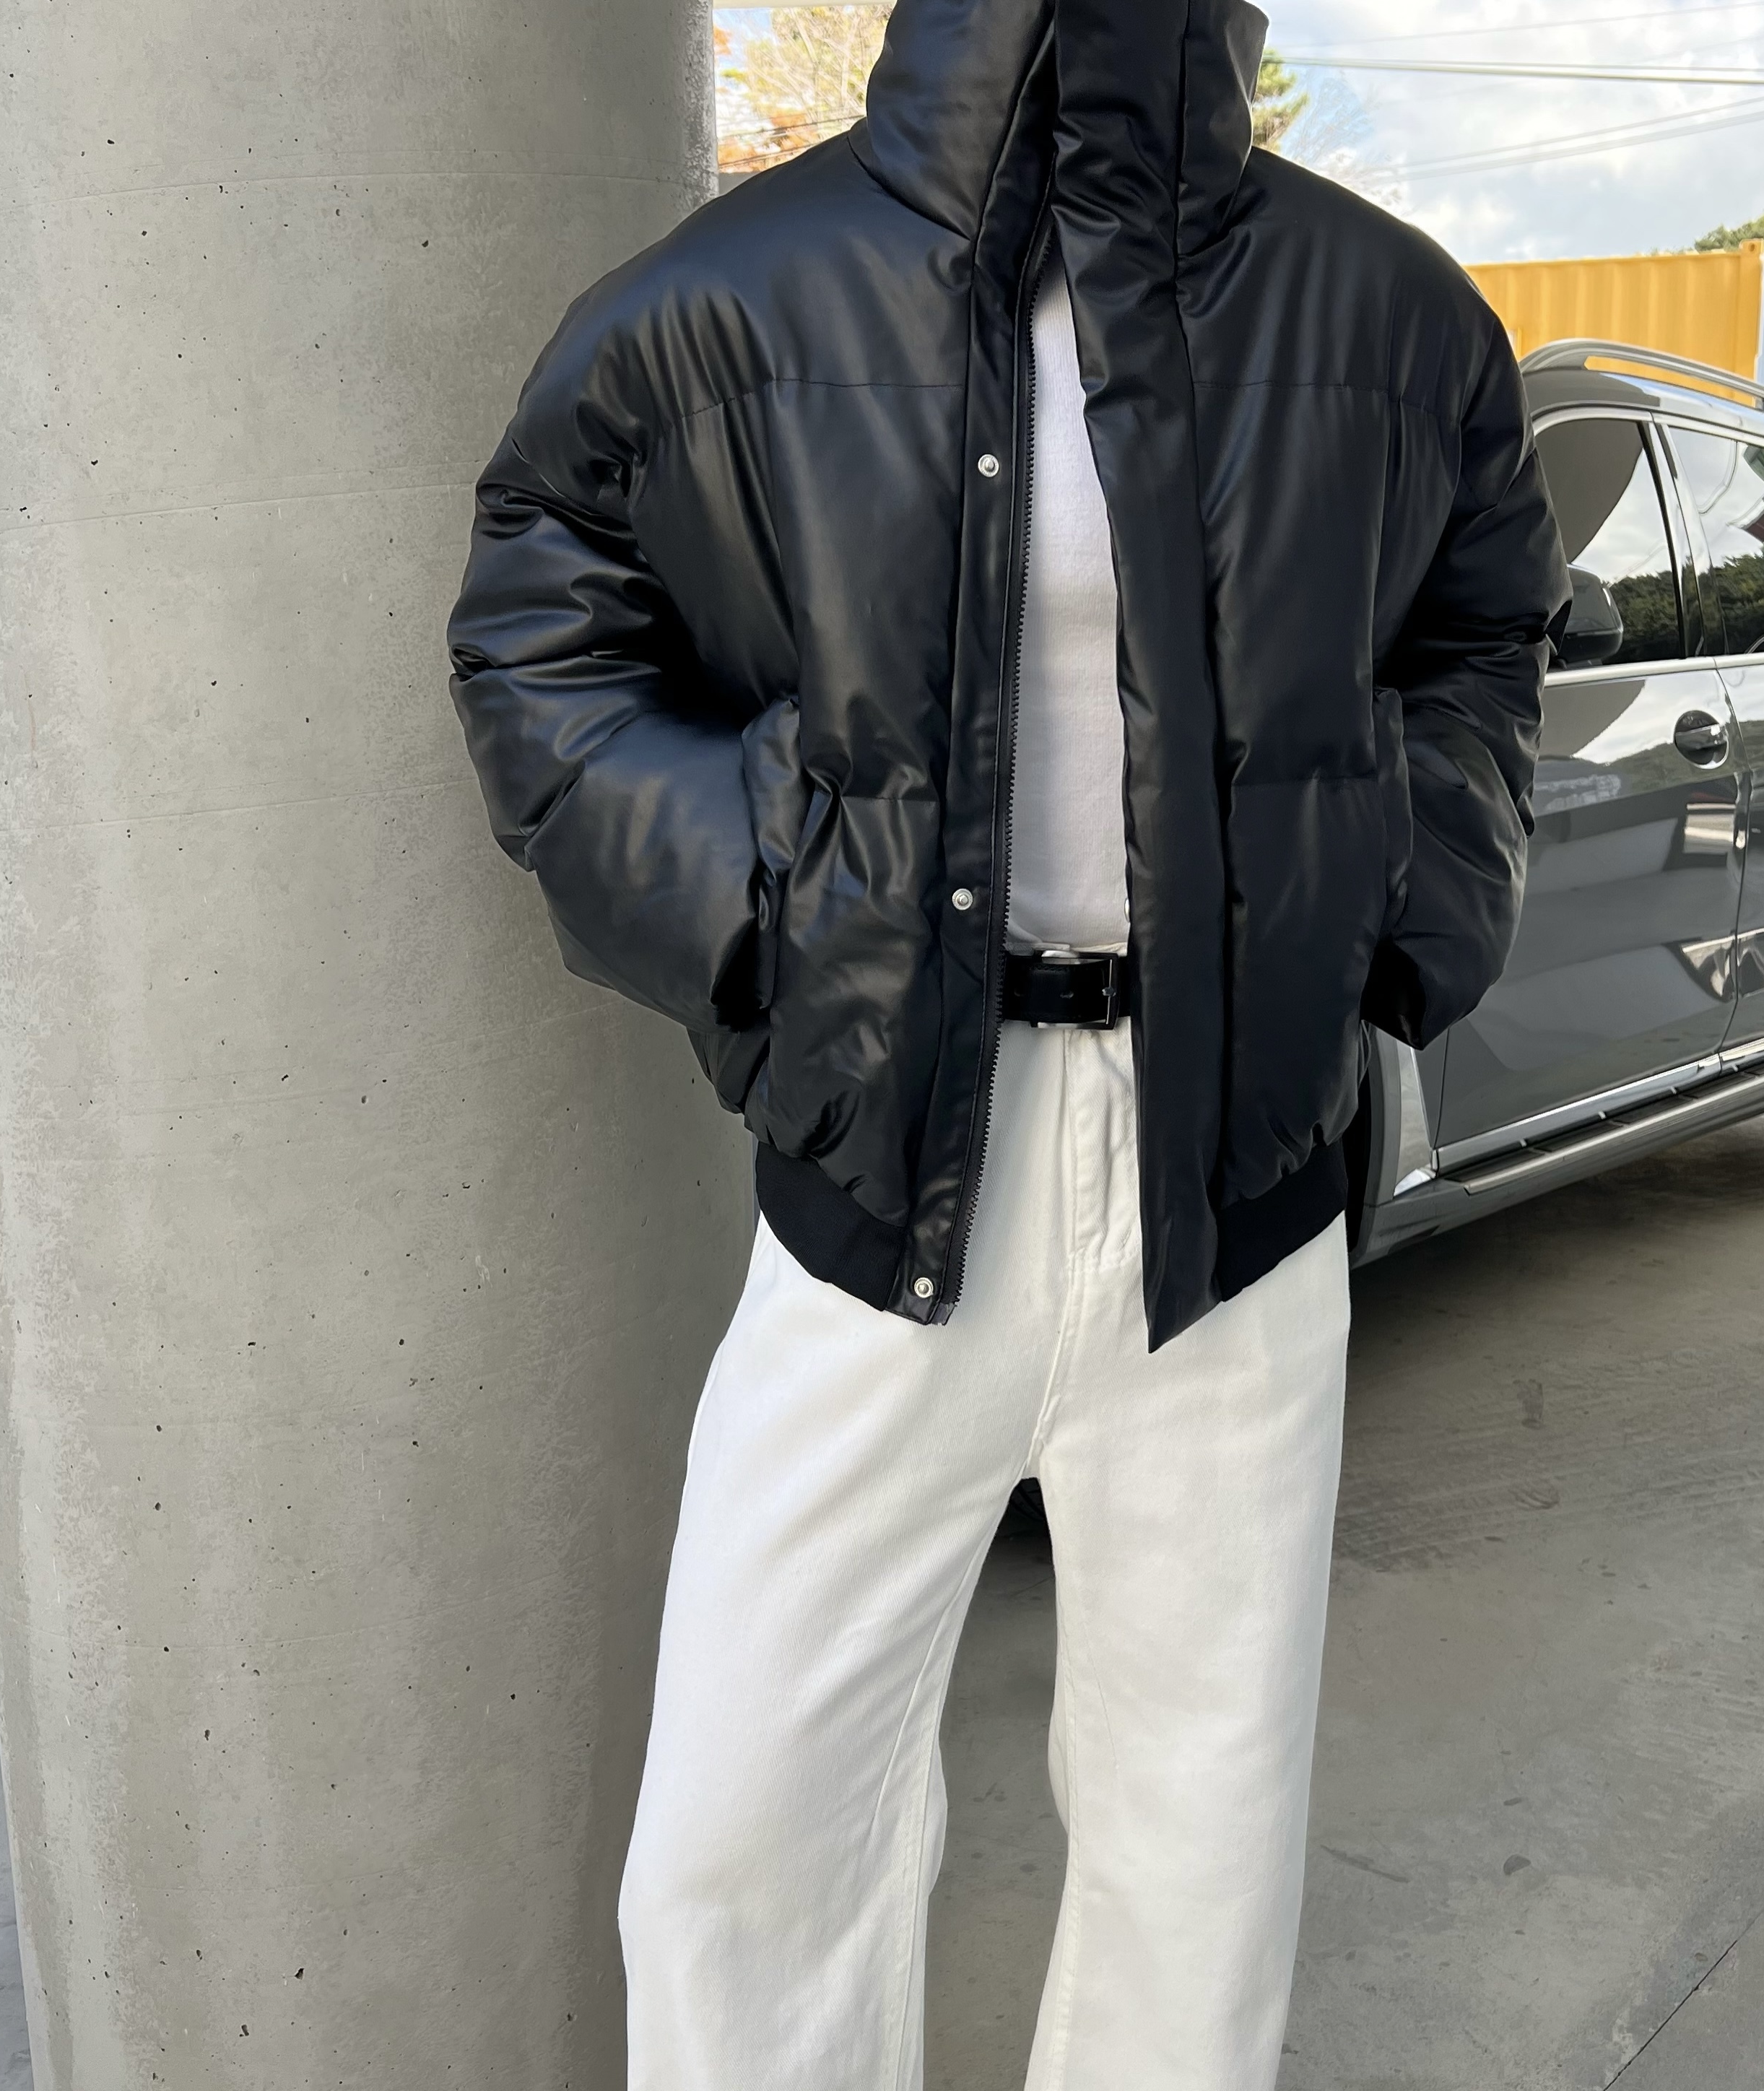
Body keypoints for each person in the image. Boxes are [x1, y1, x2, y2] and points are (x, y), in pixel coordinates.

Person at [446, 0, 1567, 2082]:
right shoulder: (742, 294)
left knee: (1195, 1850)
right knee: (736, 1850)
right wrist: (765, 904)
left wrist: (1391, 904)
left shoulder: (1390, 318)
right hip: (879, 1160)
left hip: (1231, 1188)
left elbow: (1483, 636)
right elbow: (541, 621)